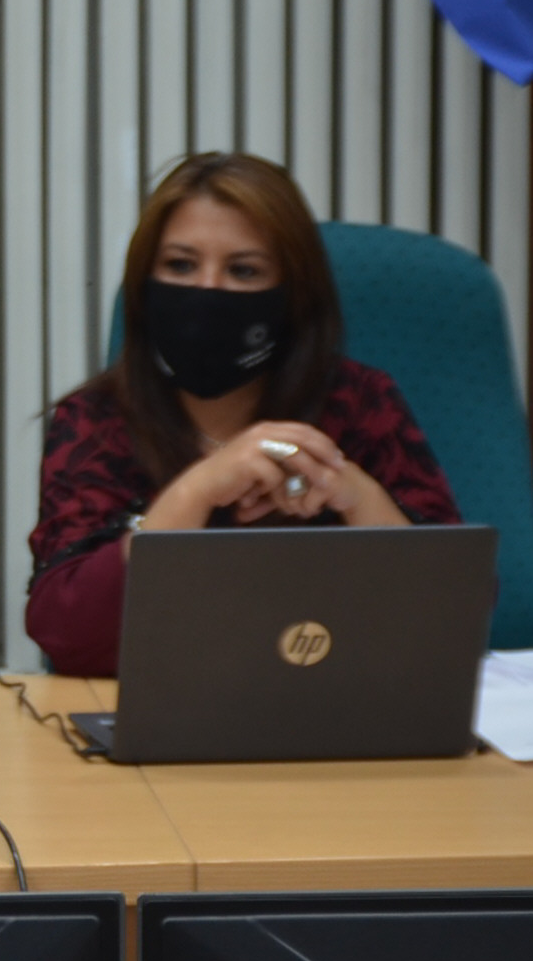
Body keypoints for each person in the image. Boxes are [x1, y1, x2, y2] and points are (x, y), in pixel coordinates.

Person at [25, 152, 461, 675]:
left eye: (243, 270)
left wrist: (356, 495)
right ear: (144, 283)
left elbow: (457, 615)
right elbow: (66, 635)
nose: (208, 290)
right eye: (180, 266)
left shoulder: (360, 403)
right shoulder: (97, 420)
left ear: (292, 293)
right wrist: (195, 493)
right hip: (158, 718)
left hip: (341, 711)